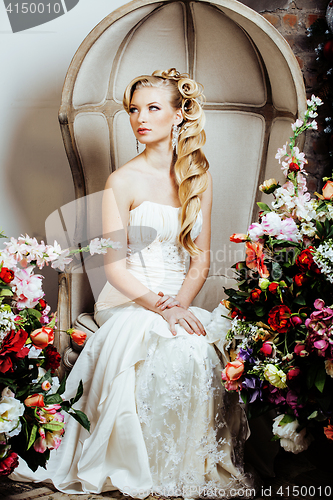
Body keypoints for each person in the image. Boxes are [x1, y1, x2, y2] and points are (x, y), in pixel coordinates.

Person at [11, 69, 256, 498]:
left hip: (176, 296)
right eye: (133, 110)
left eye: (153, 108)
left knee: (195, 349)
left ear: (180, 114)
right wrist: (161, 308)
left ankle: (181, 465)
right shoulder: (120, 181)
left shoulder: (198, 178)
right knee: (166, 344)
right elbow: (116, 270)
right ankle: (138, 463)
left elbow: (199, 261)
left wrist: (180, 304)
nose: (140, 118)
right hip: (127, 297)